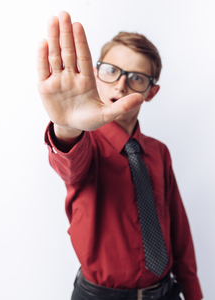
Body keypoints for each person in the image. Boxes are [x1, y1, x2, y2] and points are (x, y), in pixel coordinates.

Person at [37, 11, 203, 300]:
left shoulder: (158, 152)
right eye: (112, 71)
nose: (121, 85)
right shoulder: (87, 144)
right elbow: (69, 165)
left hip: (163, 293)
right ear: (97, 74)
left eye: (137, 78)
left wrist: (193, 292)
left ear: (152, 91)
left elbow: (179, 231)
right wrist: (66, 125)